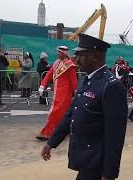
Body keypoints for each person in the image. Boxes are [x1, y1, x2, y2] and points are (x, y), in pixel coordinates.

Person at [41, 34, 127, 180]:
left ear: (95, 56)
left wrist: (109, 174)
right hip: (85, 158)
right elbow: (71, 115)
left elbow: (115, 136)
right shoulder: (85, 80)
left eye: (81, 55)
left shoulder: (111, 86)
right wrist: (51, 143)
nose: (77, 59)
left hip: (97, 162)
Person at [36, 46, 78, 141]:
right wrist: (42, 86)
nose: (57, 53)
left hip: (65, 93)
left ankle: (47, 133)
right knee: (62, 114)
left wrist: (76, 92)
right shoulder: (56, 63)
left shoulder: (70, 65)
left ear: (64, 53)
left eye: (59, 52)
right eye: (58, 52)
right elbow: (49, 74)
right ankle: (63, 131)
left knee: (56, 112)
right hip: (57, 92)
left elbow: (73, 81)